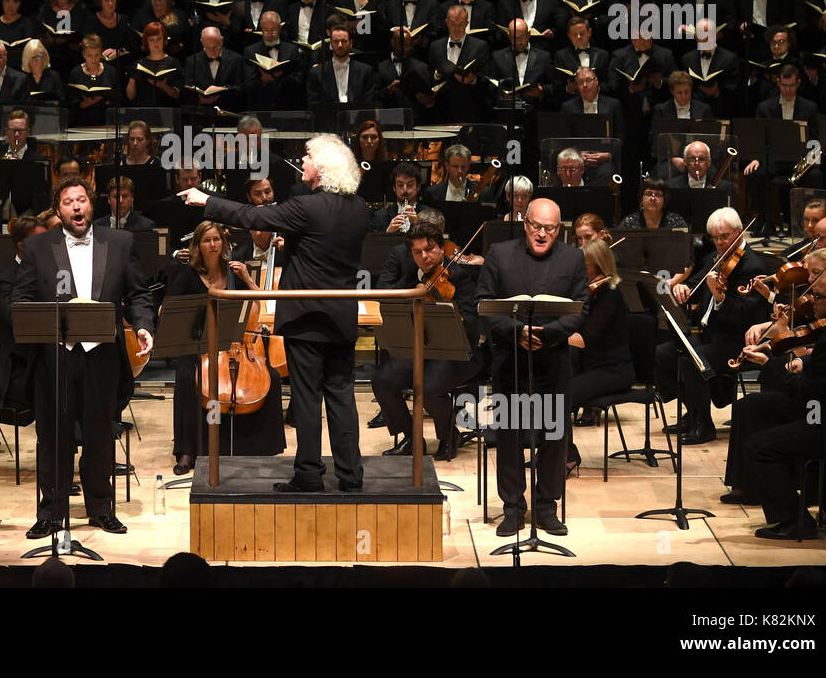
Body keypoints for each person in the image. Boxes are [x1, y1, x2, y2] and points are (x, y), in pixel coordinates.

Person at [179, 133, 370, 493]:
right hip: (341, 315)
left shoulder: (306, 205)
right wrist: (296, 242)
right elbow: (324, 247)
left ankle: (310, 475)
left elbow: (253, 216)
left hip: (305, 318)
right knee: (342, 396)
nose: (304, 162)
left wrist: (206, 199)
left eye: (309, 157)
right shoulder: (359, 208)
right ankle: (350, 474)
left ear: (323, 168)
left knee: (308, 399)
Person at [14, 176, 155, 537]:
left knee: (100, 433)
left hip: (102, 354)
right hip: (56, 357)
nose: (76, 206)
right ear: (58, 210)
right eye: (68, 202)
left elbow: (139, 292)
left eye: (81, 200)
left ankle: (101, 508)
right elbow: (22, 301)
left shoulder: (120, 242)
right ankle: (51, 511)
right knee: (53, 436)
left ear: (92, 204)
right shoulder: (37, 248)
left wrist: (143, 325)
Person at [476, 197, 588, 536]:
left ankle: (545, 507)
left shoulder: (574, 257)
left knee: (554, 436)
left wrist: (548, 335)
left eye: (550, 228)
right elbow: (484, 304)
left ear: (559, 230)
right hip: (511, 360)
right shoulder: (499, 253)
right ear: (525, 224)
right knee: (509, 436)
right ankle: (513, 508)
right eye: (536, 226)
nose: (542, 233)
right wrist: (518, 332)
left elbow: (580, 309)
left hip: (553, 361)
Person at [740, 270, 826, 539]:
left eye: (818, 297)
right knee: (765, 412)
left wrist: (768, 364)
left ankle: (795, 521)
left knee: (759, 448)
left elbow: (806, 394)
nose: (812, 303)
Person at [166, 221, 286, 474]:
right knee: (187, 378)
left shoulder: (234, 272)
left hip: (237, 346)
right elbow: (167, 312)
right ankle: (188, 450)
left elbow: (262, 303)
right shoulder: (187, 276)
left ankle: (264, 447)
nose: (213, 245)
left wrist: (246, 278)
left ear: (223, 243)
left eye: (217, 239)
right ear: (198, 245)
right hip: (199, 347)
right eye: (207, 240)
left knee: (273, 378)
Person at [653, 207, 767, 445]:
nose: (719, 242)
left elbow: (744, 314)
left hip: (737, 340)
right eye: (714, 238)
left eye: (724, 236)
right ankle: (693, 411)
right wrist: (682, 288)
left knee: (690, 360)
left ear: (738, 232)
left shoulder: (751, 266)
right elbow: (695, 285)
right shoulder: (716, 259)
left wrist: (722, 298)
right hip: (710, 335)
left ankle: (704, 425)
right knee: (662, 354)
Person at [372, 222, 480, 460]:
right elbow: (392, 307)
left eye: (430, 249)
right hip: (421, 351)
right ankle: (410, 437)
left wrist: (438, 297)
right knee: (382, 380)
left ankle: (448, 436)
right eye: (417, 252)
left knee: (429, 388)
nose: (424, 256)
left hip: (458, 354)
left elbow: (470, 323)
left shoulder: (460, 278)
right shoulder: (410, 279)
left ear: (442, 249)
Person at [566, 239, 634, 466]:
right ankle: (553, 453)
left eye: (583, 266)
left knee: (562, 394)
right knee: (551, 385)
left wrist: (552, 335)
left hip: (614, 370)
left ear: (599, 266)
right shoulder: (589, 294)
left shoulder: (609, 296)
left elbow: (584, 339)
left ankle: (566, 456)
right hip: (591, 367)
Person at [618, 178, 689, 230]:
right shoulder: (629, 223)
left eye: (658, 195)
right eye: (648, 194)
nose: (653, 198)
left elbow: (686, 247)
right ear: (641, 199)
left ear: (665, 200)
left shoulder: (677, 222)